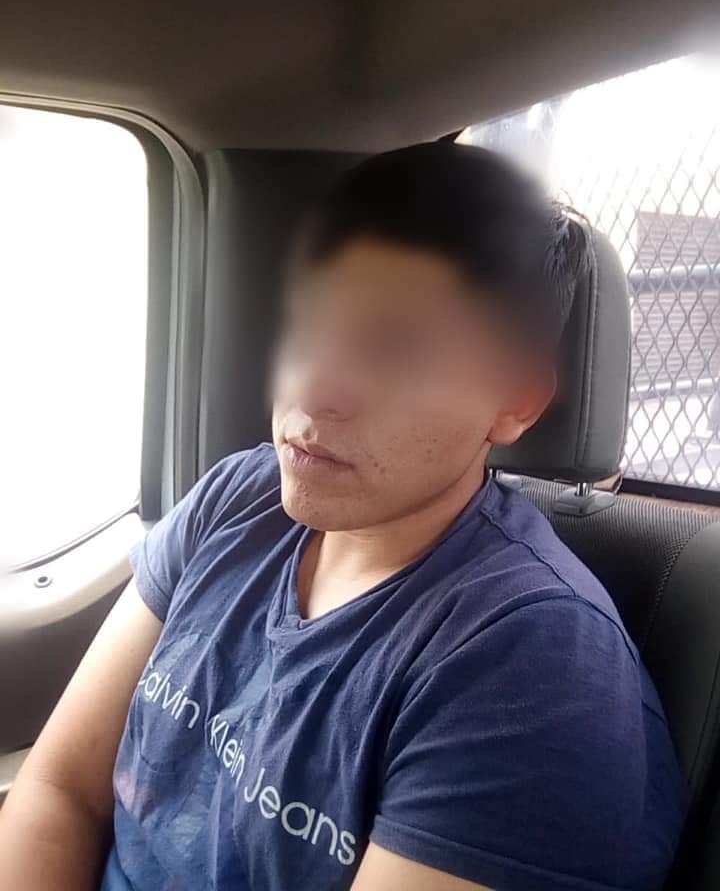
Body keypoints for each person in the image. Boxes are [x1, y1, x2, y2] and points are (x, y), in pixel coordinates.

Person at [0, 143, 688, 891]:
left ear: (515, 399)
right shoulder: (237, 499)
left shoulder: (534, 663)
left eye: (395, 346)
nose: (315, 387)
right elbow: (59, 791)